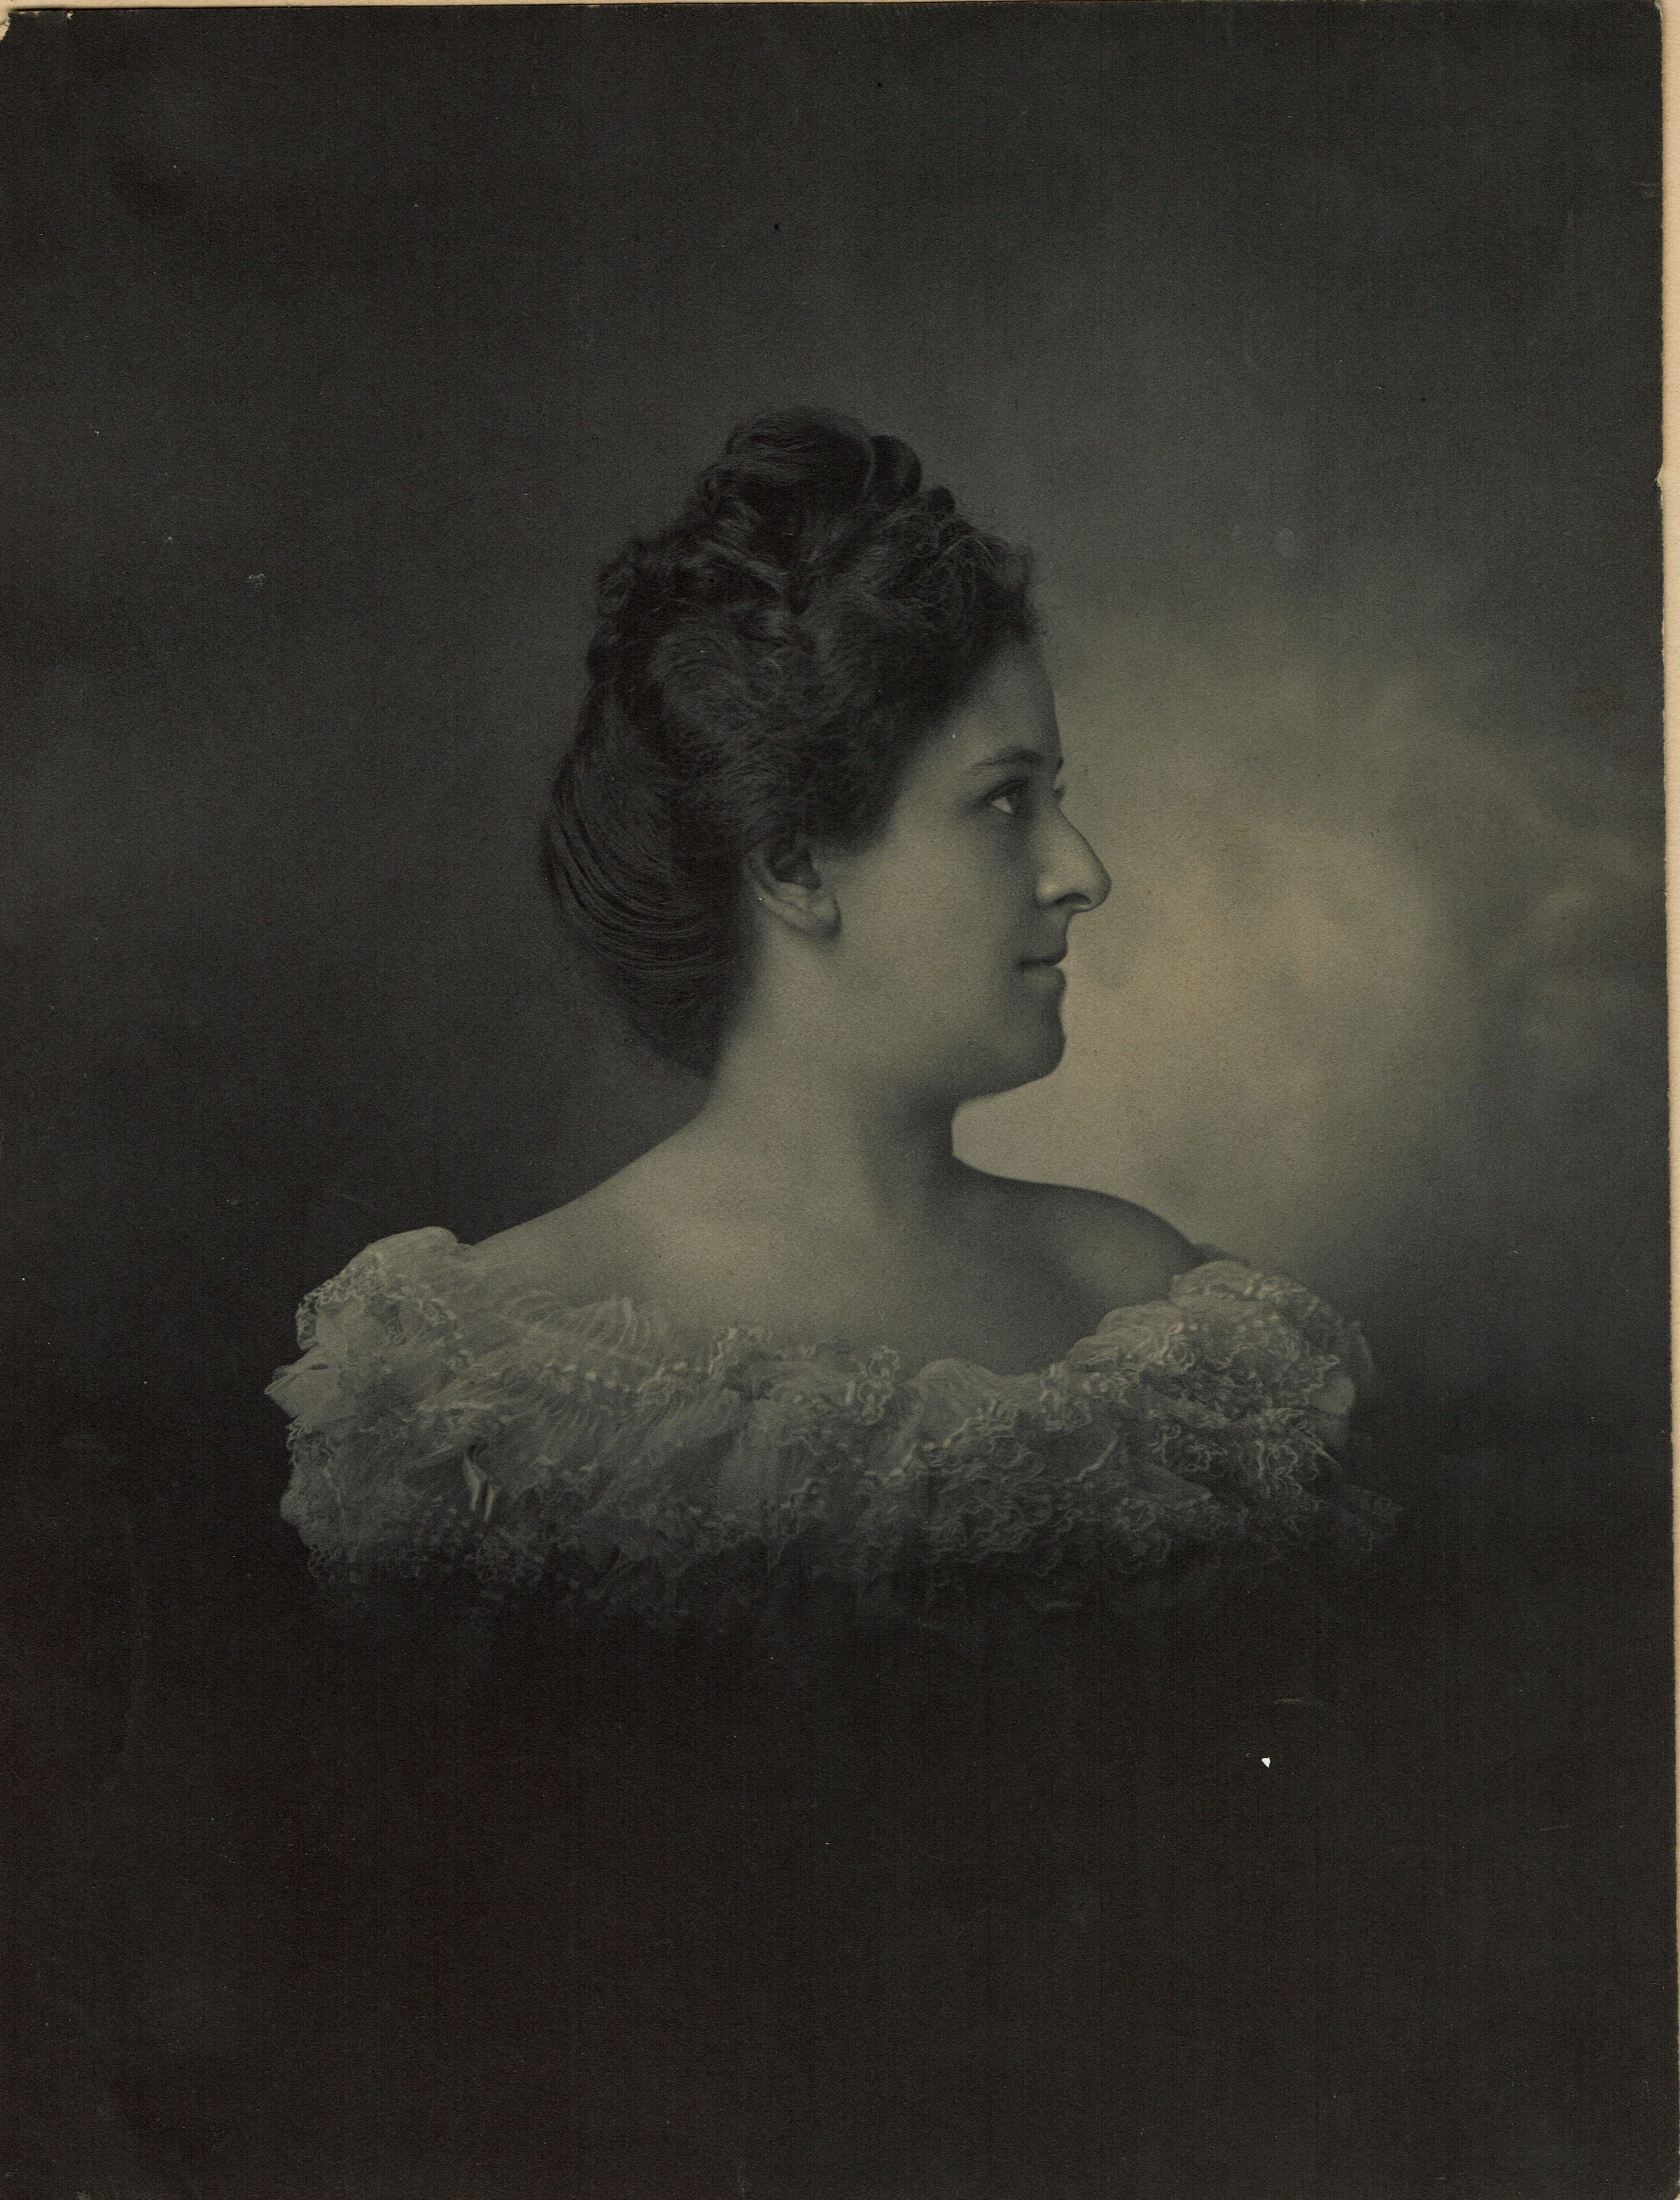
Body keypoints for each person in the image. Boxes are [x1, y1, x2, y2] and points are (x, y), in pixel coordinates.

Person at [270, 408, 1390, 1638]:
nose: (1084, 871)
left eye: (1057, 798)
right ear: (795, 864)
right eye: (1006, 801)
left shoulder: (1152, 1309)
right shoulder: (483, 1370)